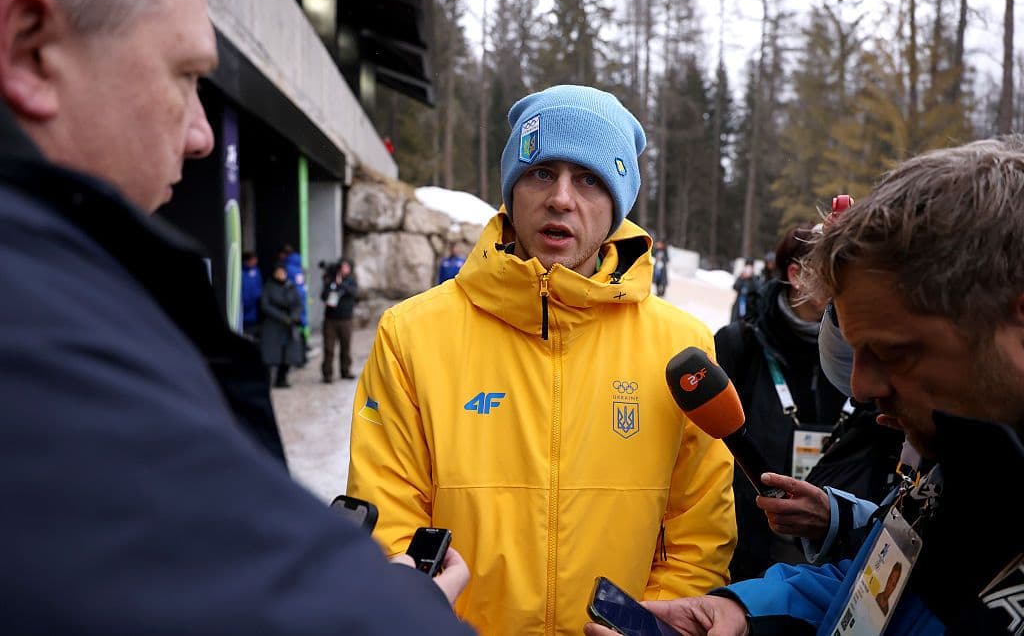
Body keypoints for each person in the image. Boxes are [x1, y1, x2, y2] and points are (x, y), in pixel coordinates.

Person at [0, 0, 474, 633]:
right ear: (31, 49)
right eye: (188, 76)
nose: (200, 134)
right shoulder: (41, 339)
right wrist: (407, 605)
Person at [584, 137, 1024, 636]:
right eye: (853, 350)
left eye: (895, 351)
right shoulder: (951, 465)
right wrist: (744, 611)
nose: (858, 387)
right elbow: (888, 587)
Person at [347, 84, 737, 636]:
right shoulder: (411, 335)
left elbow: (699, 529)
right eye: (540, 173)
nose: (560, 198)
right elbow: (388, 515)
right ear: (511, 190)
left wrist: (644, 625)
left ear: (617, 204)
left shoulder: (680, 347)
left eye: (589, 179)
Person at [714, 224, 848, 581]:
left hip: (835, 556)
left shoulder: (855, 351)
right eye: (832, 266)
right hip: (747, 549)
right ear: (796, 275)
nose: (845, 279)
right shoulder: (740, 344)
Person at [261, 263, 304, 388]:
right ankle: (268, 380)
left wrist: (293, 317)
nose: (281, 275)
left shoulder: (290, 287)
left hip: (288, 326)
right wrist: (282, 317)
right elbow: (265, 305)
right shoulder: (269, 286)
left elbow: (298, 303)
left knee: (287, 354)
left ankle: (282, 378)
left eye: (283, 273)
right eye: (279, 273)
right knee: (271, 355)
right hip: (273, 325)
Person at [321, 258, 357, 382]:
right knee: (329, 348)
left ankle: (345, 370)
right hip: (330, 319)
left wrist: (340, 284)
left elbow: (353, 292)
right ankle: (327, 374)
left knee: (345, 347)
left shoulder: (351, 281)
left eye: (346, 267)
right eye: (342, 266)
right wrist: (331, 284)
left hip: (346, 319)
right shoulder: (330, 280)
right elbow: (324, 296)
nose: (344, 269)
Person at [241, 250, 263, 340]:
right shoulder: (241, 272)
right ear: (247, 261)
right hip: (243, 306)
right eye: (253, 260)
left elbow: (259, 286)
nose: (255, 262)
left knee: (251, 330)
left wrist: (257, 296)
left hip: (254, 307)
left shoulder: (256, 271)